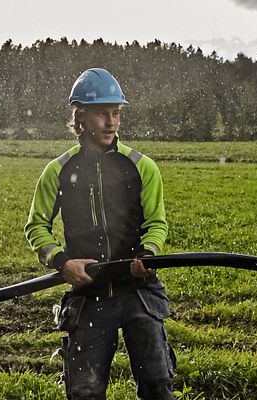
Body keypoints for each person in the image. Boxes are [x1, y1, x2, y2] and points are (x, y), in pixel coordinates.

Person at [26, 67, 173, 400]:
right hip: (89, 296)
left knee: (157, 387)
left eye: (116, 113)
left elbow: (157, 222)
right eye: (102, 114)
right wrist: (62, 263)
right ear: (80, 117)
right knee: (85, 393)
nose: (111, 122)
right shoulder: (59, 171)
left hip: (139, 291)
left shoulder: (141, 166)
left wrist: (147, 254)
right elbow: (36, 227)